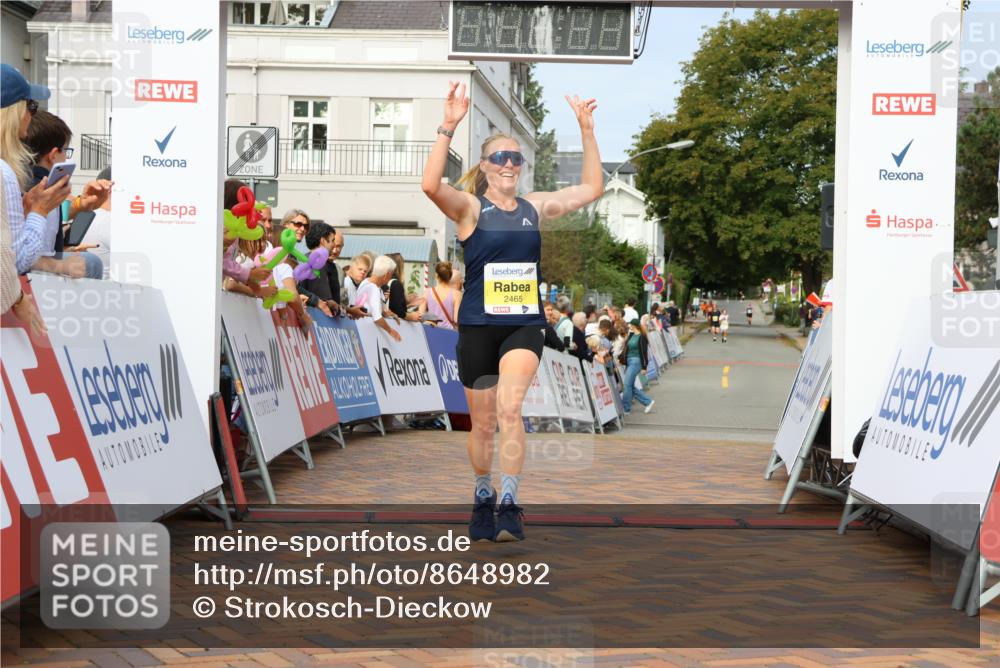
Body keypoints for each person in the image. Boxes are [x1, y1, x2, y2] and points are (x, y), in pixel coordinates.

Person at [421, 81, 603, 542]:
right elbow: (429, 185)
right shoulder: (469, 210)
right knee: (482, 423)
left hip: (522, 325)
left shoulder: (533, 208)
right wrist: (448, 126)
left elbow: (592, 188)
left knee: (509, 409)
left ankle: (510, 501)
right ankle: (483, 494)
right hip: (478, 327)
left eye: (515, 158)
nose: (508, 164)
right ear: (484, 167)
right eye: (499, 157)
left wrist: (586, 129)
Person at [1, 64, 72, 276]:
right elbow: (17, 262)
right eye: (31, 106)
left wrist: (25, 210)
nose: (32, 116)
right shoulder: (4, 174)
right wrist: (39, 211)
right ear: (13, 113)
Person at [23, 109, 108, 279]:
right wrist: (61, 265)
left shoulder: (25, 182)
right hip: (34, 281)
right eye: (66, 151)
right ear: (54, 155)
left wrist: (80, 206)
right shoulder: (41, 189)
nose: (66, 158)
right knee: (91, 263)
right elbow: (22, 254)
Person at [351, 254, 401, 341]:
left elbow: (380, 309)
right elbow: (377, 317)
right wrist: (391, 331)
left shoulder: (367, 283)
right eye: (391, 275)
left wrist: (390, 314)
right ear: (386, 275)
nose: (390, 278)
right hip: (367, 335)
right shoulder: (374, 289)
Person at [618, 319, 655, 415]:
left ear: (634, 325)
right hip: (629, 361)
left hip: (636, 362)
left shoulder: (642, 337)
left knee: (627, 385)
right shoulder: (631, 335)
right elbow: (626, 349)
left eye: (630, 323)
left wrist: (644, 367)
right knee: (629, 385)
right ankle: (648, 402)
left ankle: (626, 409)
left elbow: (644, 352)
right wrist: (620, 358)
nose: (628, 325)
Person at [420, 260, 460, 330]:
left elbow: (420, 315)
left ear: (436, 275)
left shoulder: (427, 292)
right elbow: (456, 319)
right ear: (450, 276)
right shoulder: (457, 294)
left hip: (431, 331)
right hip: (448, 332)